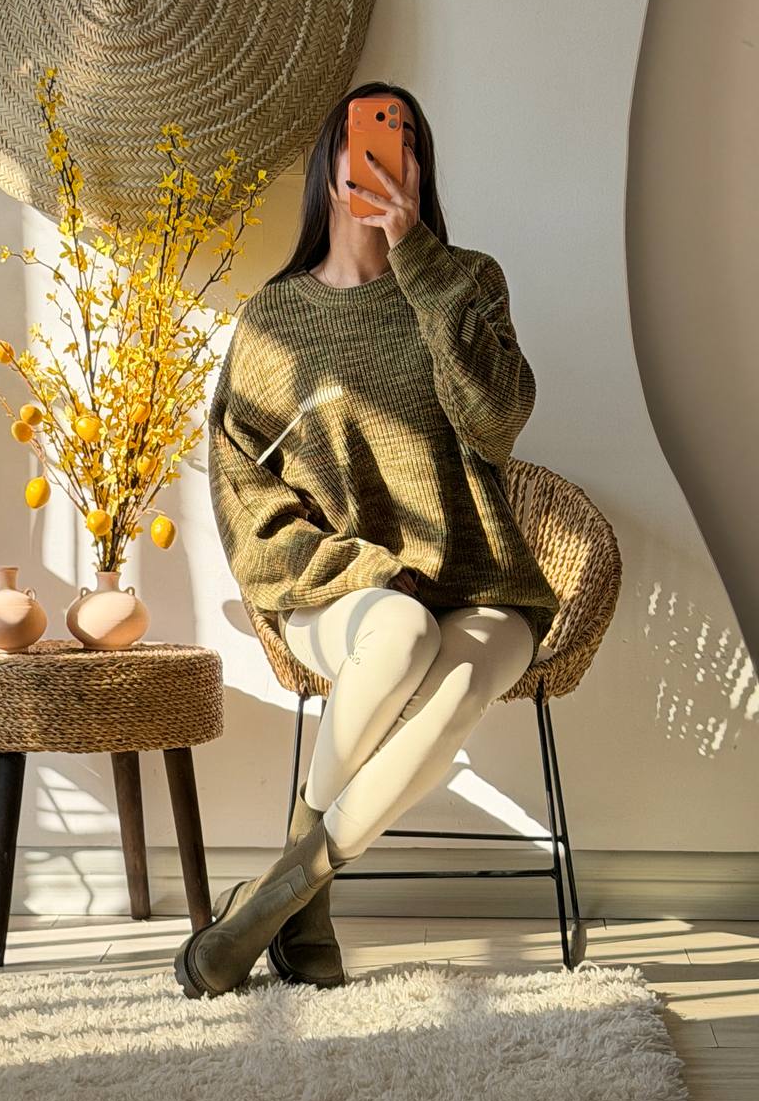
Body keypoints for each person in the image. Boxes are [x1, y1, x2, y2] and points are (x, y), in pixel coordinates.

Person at [174, 81, 559, 1001]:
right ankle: (298, 908)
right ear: (330, 160)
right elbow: (243, 493)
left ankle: (275, 901)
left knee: (455, 679)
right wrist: (358, 570)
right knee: (401, 630)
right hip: (338, 595)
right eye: (368, 133)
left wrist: (416, 255)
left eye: (406, 139)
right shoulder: (273, 322)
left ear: (421, 168)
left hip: (482, 584)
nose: (387, 151)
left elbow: (497, 421)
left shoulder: (467, 281)